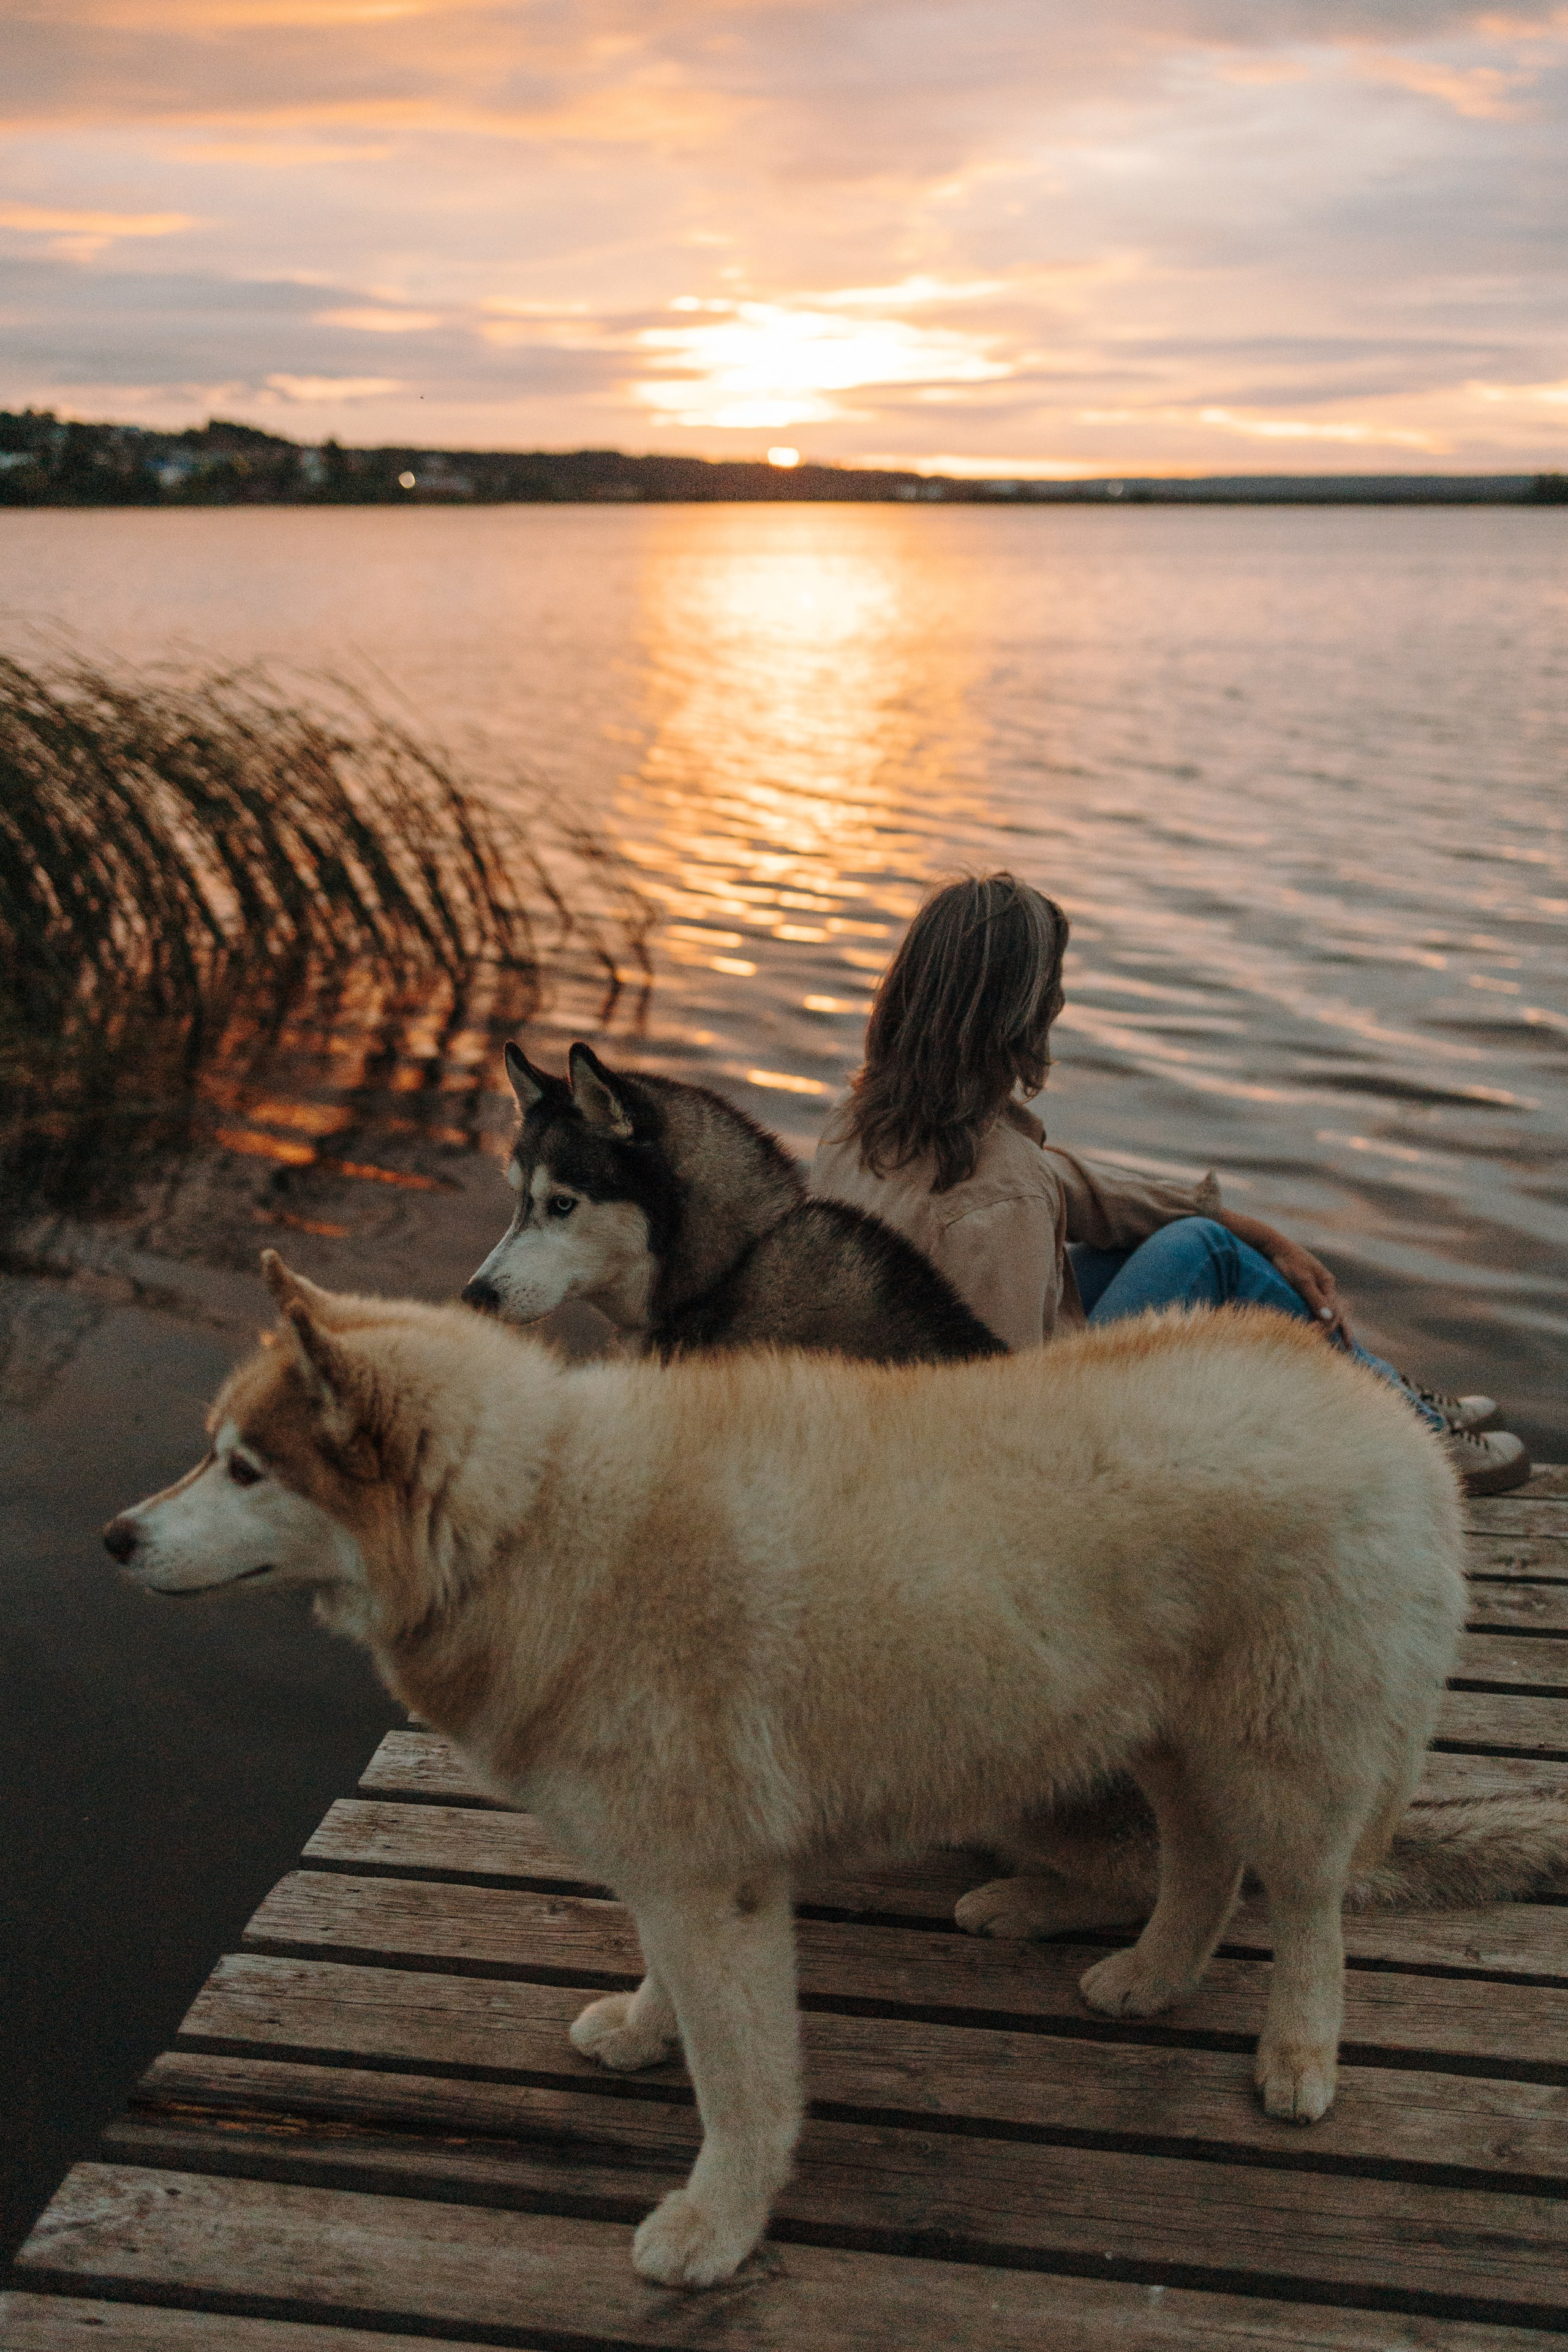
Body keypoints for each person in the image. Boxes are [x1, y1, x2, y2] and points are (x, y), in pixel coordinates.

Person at [809, 873, 1531, 1494]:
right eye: (1052, 988)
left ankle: (1391, 1394)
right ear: (1019, 1016)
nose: (1059, 1002)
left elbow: (1075, 1188)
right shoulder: (1006, 1196)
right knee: (1208, 1254)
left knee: (1184, 1239)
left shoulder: (857, 1126)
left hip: (880, 1419)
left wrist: (1259, 1229)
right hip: (994, 1457)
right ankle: (1408, 1431)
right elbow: (1005, 1424)